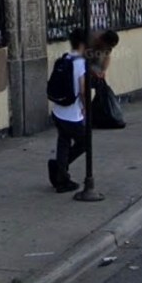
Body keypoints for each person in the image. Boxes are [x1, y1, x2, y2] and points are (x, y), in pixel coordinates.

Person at [48, 28, 88, 193]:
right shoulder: (80, 63)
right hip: (72, 115)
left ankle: (62, 177)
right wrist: (86, 108)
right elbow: (83, 91)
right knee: (85, 142)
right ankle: (59, 168)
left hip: (58, 112)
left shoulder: (66, 58)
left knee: (63, 142)